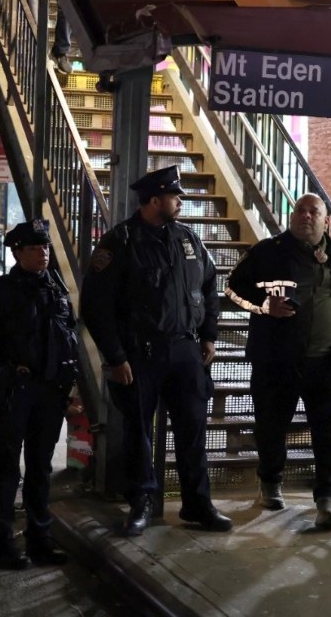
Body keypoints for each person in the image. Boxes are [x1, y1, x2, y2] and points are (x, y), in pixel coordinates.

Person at [81, 164, 232, 536]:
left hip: (185, 352)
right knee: (138, 434)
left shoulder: (188, 240)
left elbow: (210, 287)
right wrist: (115, 357)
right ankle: (142, 502)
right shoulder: (121, 242)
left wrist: (209, 335)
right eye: (174, 196)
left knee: (193, 431)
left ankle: (198, 505)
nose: (180, 201)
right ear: (153, 200)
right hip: (139, 356)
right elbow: (95, 306)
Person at [224, 193, 331, 527]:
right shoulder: (268, 252)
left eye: (314, 211)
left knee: (329, 432)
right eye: (300, 210)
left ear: (325, 219)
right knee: (272, 426)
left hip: (327, 363)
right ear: (292, 215)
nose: (306, 216)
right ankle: (270, 484)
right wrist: (262, 305)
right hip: (277, 360)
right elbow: (231, 288)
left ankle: (327, 499)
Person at [0, 220, 79, 570]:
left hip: (49, 392)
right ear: (17, 252)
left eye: (46, 248)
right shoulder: (2, 290)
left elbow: (67, 334)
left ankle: (40, 541)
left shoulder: (55, 288)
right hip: (14, 391)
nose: (43, 254)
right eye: (35, 249)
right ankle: (2, 546)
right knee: (7, 467)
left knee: (41, 469)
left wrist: (70, 385)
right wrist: (3, 357)